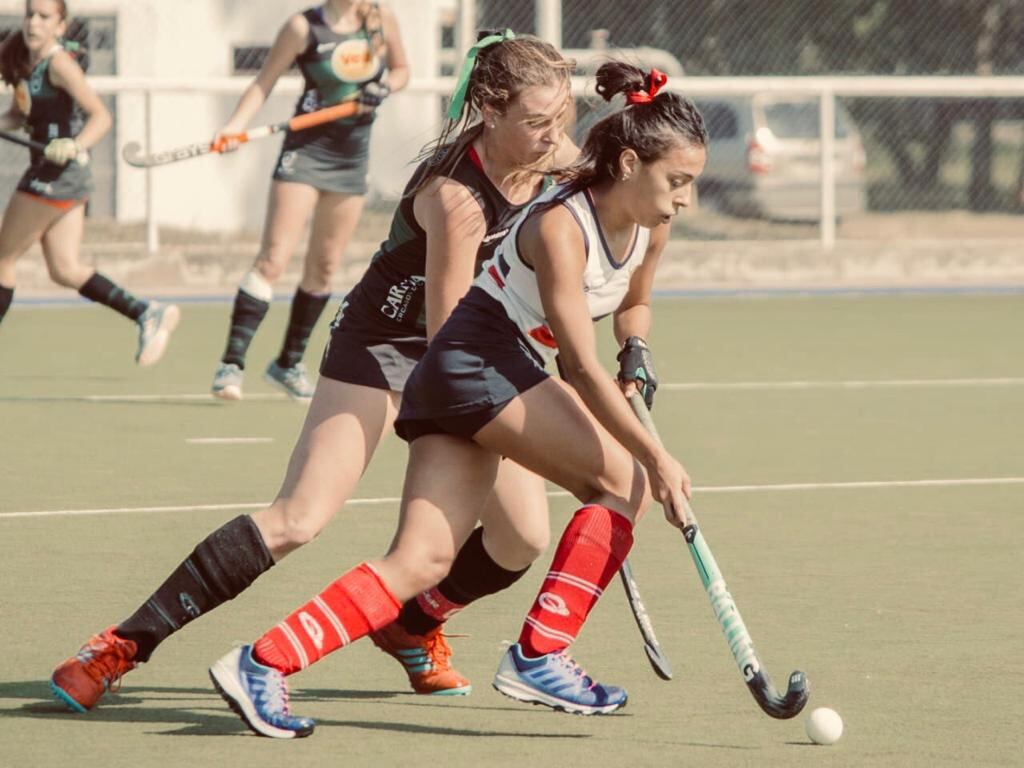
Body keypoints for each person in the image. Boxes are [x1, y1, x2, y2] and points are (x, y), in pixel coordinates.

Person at [50, 32, 578, 715]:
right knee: (298, 517)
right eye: (537, 122)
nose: (552, 136)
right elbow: (448, 342)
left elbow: (610, 181)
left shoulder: (551, 151)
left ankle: (409, 625)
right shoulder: (457, 198)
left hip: (466, 349)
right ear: (489, 111)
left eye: (560, 119)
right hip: (390, 345)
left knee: (522, 537)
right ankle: (119, 645)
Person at [207, 61, 707, 738]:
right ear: (626, 163)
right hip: (478, 359)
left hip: (466, 370)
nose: (687, 199)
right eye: (677, 181)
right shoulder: (563, 226)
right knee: (624, 481)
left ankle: (262, 662)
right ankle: (540, 653)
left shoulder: (652, 223)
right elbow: (578, 367)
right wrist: (658, 456)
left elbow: (636, 305)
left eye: (692, 184)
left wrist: (637, 354)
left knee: (422, 560)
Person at [210, 0, 408, 401]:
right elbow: (263, 82)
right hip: (306, 152)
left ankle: (288, 363)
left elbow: (402, 70)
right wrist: (234, 126)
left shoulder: (381, 19)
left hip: (351, 157)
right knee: (274, 258)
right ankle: (231, 364)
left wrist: (383, 86)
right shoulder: (303, 27)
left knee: (325, 265)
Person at [0, 0, 178, 363]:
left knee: (2, 258)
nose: (34, 23)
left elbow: (101, 116)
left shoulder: (60, 64)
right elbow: (20, 113)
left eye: (44, 17)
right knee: (64, 269)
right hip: (60, 176)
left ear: (61, 26)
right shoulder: (26, 60)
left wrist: (74, 145)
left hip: (57, 175)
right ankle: (146, 312)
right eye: (30, 15)